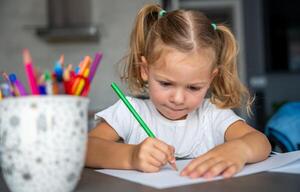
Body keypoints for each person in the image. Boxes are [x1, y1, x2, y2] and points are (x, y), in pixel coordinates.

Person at [86, 4, 271, 179]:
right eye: (166, 83)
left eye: (193, 87)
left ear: (210, 79)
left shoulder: (212, 114)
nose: (178, 98)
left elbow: (260, 142)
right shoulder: (129, 112)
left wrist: (240, 149)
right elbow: (85, 149)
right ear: (145, 70)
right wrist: (131, 156)